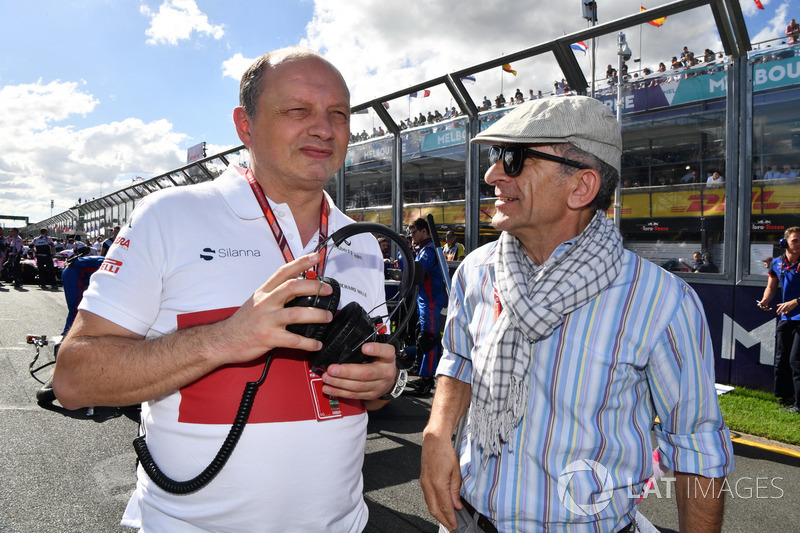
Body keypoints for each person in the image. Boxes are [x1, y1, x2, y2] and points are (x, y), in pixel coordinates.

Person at [52, 47, 404, 532]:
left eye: (338, 114)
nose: (323, 127)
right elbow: (73, 380)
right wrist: (225, 338)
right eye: (298, 110)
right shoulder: (169, 216)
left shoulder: (362, 244)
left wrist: (383, 385)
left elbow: (373, 392)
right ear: (245, 125)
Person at [420, 96, 733, 532]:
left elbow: (698, 447)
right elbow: (460, 360)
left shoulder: (660, 300)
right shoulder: (475, 271)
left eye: (513, 159)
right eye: (495, 157)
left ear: (581, 187)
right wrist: (438, 432)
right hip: (468, 521)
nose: (492, 174)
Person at [758, 227, 800, 411]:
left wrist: (795, 302)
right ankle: (786, 398)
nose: (798, 244)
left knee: (796, 360)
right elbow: (771, 287)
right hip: (786, 317)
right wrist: (766, 299)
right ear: (784, 243)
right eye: (795, 240)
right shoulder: (777, 263)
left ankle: (799, 405)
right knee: (781, 358)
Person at [407, 217, 448, 395]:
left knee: (428, 338)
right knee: (422, 336)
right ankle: (423, 374)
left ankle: (427, 379)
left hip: (431, 300)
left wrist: (405, 253)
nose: (412, 236)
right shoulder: (425, 248)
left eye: (414, 232)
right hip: (426, 298)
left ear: (424, 231)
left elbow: (417, 269)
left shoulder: (429, 250)